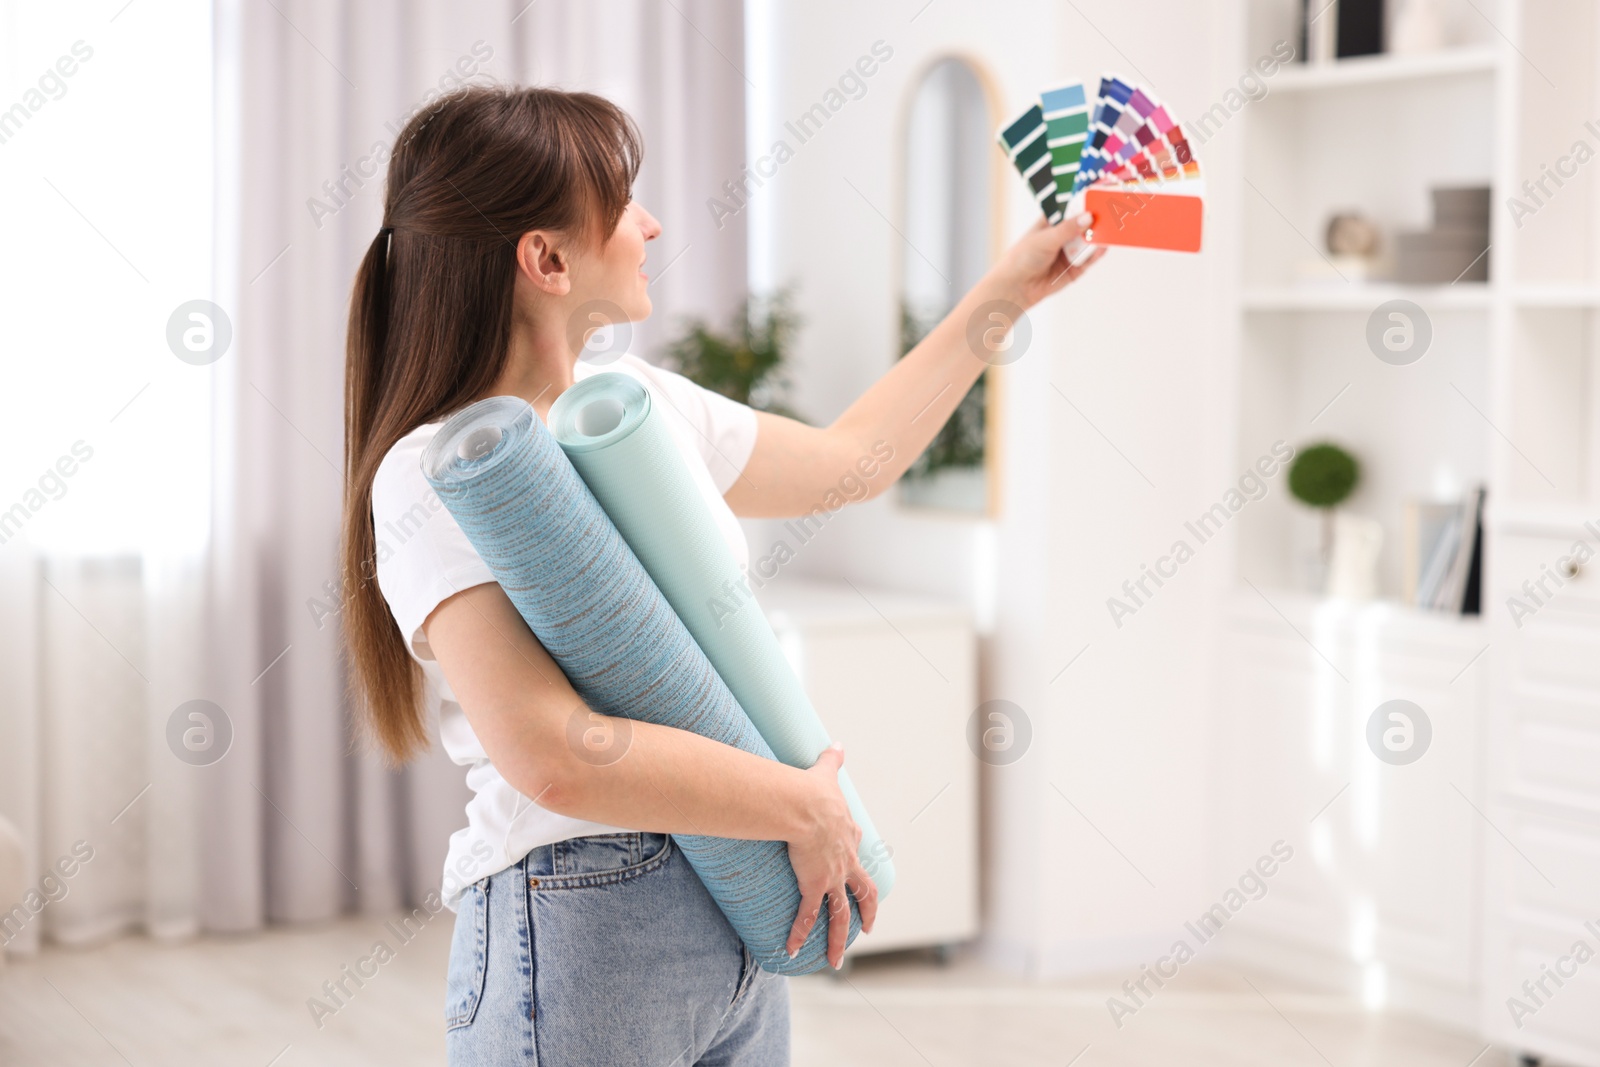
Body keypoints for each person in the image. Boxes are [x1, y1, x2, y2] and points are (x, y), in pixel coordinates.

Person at [339, 84, 1103, 1067]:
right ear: (546, 257)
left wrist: (1007, 291)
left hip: (732, 900)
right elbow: (550, 752)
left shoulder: (638, 405)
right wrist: (798, 802)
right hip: (580, 905)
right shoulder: (440, 471)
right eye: (622, 204)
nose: (650, 224)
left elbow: (851, 461)